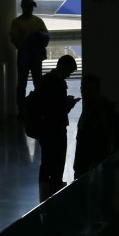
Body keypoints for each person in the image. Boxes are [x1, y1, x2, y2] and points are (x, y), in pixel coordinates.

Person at [34, 55, 79, 200]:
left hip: (45, 128)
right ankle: (54, 191)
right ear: (64, 67)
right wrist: (69, 104)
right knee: (57, 162)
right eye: (69, 71)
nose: (68, 75)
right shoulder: (57, 83)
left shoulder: (46, 80)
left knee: (46, 162)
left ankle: (44, 195)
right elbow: (57, 110)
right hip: (55, 129)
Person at [72, 74, 119, 180]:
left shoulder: (95, 112)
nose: (84, 92)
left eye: (88, 89)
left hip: (89, 165)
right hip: (91, 164)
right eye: (83, 89)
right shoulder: (97, 110)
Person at [9, 0, 48, 117]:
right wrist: (27, 46)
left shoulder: (38, 21)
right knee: (22, 84)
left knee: (37, 82)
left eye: (32, 6)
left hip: (35, 55)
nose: (31, 8)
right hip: (25, 55)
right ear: (23, 7)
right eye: (29, 6)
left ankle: (39, 106)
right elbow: (14, 39)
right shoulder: (16, 22)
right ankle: (21, 109)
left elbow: (46, 37)